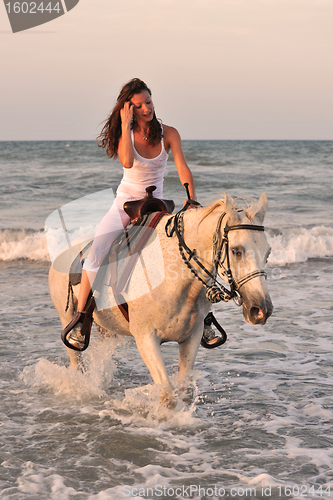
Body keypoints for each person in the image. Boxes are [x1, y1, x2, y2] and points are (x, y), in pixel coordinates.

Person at [62, 78, 220, 350]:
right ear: (129, 109)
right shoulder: (127, 133)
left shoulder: (169, 133)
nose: (146, 108)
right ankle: (81, 318)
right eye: (138, 105)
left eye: (148, 102)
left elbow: (183, 167)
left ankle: (205, 319)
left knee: (190, 249)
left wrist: (191, 198)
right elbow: (127, 162)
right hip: (126, 203)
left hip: (157, 204)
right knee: (99, 250)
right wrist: (125, 125)